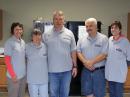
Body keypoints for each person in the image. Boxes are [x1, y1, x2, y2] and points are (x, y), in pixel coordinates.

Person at [43, 10, 77, 97]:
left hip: (66, 71)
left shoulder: (70, 33)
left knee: (64, 94)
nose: (58, 21)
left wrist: (75, 66)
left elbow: (73, 51)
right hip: (52, 71)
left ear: (63, 20)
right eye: (56, 19)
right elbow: (42, 52)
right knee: (53, 94)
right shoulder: (46, 34)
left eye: (60, 19)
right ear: (53, 20)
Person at [77, 18, 108, 97]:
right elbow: (78, 52)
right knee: (87, 94)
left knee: (99, 94)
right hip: (86, 71)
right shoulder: (81, 39)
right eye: (86, 26)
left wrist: (91, 63)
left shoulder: (103, 38)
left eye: (90, 26)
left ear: (96, 26)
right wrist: (85, 62)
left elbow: (104, 54)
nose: (88, 28)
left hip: (99, 72)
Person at [105, 21, 130, 97]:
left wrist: (121, 66)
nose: (113, 29)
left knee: (118, 94)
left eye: (116, 28)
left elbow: (129, 58)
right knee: (112, 93)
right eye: (112, 28)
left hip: (120, 73)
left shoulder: (125, 41)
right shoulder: (109, 39)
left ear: (120, 30)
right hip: (110, 72)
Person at [4, 22, 26, 97]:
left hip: (22, 76)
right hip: (13, 77)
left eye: (20, 29)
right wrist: (13, 75)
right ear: (12, 31)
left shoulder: (23, 42)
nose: (19, 31)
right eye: (16, 29)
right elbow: (7, 60)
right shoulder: (9, 42)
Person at [26, 29, 48, 97]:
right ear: (31, 37)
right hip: (32, 79)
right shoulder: (26, 47)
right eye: (35, 35)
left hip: (44, 79)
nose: (37, 37)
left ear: (41, 36)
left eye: (39, 35)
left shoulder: (46, 47)